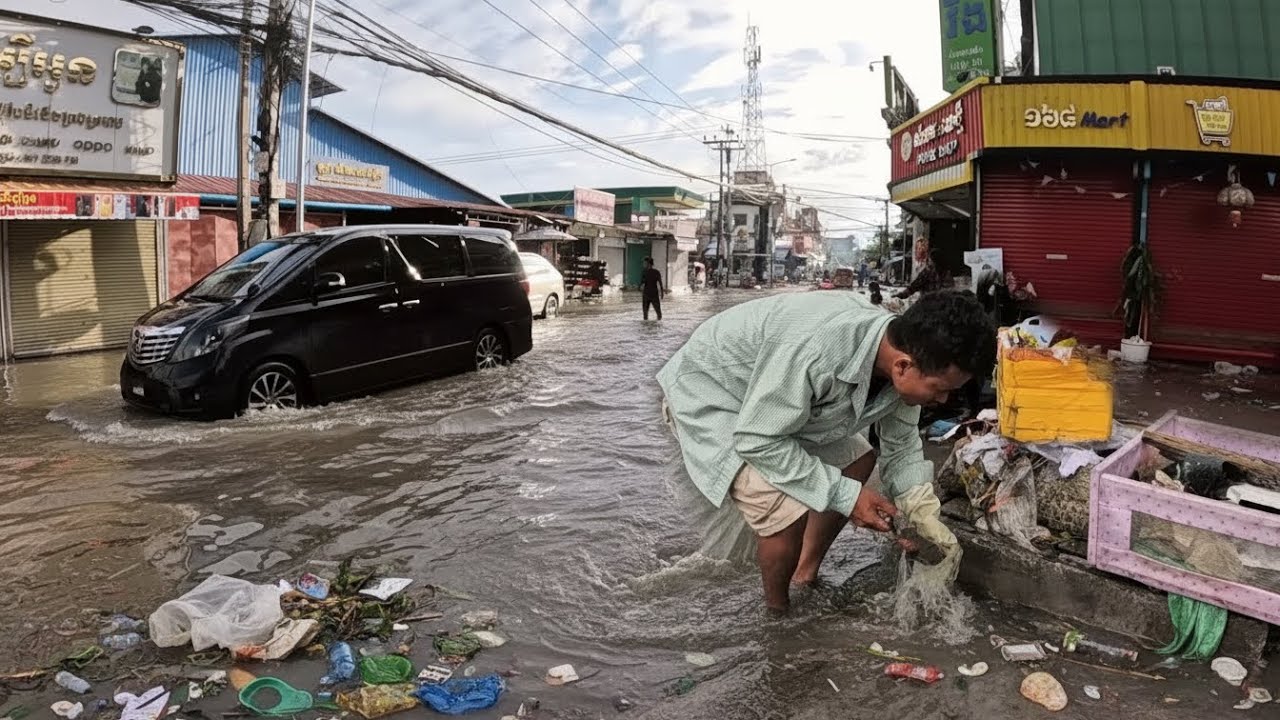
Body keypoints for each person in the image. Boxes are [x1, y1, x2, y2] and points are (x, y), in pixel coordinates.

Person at [658, 291, 996, 613]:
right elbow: (758, 439)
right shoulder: (818, 353)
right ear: (903, 367)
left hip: (770, 398)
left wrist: (921, 514)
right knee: (786, 511)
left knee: (858, 459)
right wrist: (847, 497)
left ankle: (803, 574)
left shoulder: (901, 353)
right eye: (940, 390)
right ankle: (777, 616)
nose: (943, 401)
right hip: (714, 393)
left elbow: (902, 445)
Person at [641, 256, 664, 320]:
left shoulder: (645, 272)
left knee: (645, 315)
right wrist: (662, 293)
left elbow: (642, 284)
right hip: (653, 294)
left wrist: (640, 288)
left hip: (647, 295)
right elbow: (660, 283)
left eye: (645, 263)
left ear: (648, 264)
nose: (643, 264)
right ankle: (658, 324)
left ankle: (647, 325)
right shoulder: (656, 272)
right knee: (659, 314)